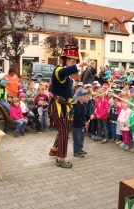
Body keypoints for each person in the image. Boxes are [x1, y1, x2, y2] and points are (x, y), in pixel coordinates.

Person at [48, 38, 87, 169]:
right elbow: (64, 72)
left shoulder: (68, 76)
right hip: (58, 106)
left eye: (75, 61)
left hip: (64, 106)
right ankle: (60, 159)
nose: (73, 63)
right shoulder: (59, 70)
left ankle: (54, 150)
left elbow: (67, 93)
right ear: (64, 60)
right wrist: (79, 65)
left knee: (63, 130)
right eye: (71, 61)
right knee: (64, 132)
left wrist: (75, 97)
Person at [72, 89, 89, 158]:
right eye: (84, 97)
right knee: (77, 138)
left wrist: (88, 118)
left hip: (81, 125)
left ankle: (80, 148)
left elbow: (84, 114)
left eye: (86, 97)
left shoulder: (83, 105)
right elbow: (78, 117)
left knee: (81, 137)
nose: (86, 98)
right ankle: (76, 151)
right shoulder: (77, 106)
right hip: (77, 125)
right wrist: (84, 122)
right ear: (79, 97)